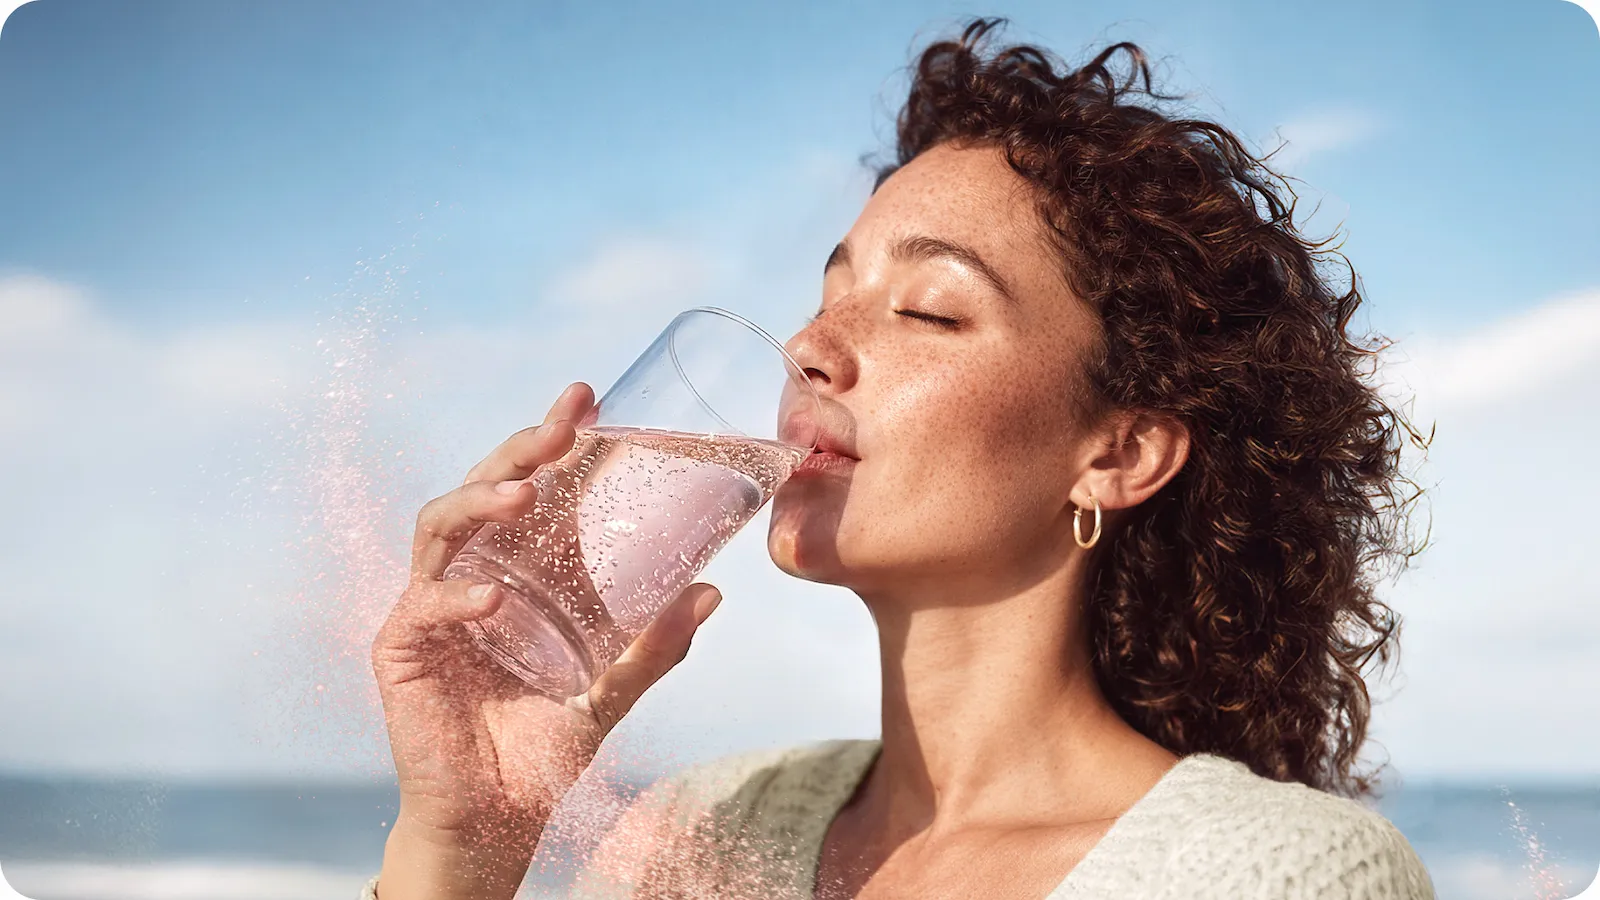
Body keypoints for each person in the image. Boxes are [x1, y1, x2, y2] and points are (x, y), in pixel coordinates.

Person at [361, 18, 1436, 900]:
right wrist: (460, 852)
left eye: (928, 310)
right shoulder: (696, 837)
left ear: (1119, 454)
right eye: (829, 296)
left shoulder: (1280, 874)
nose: (809, 346)